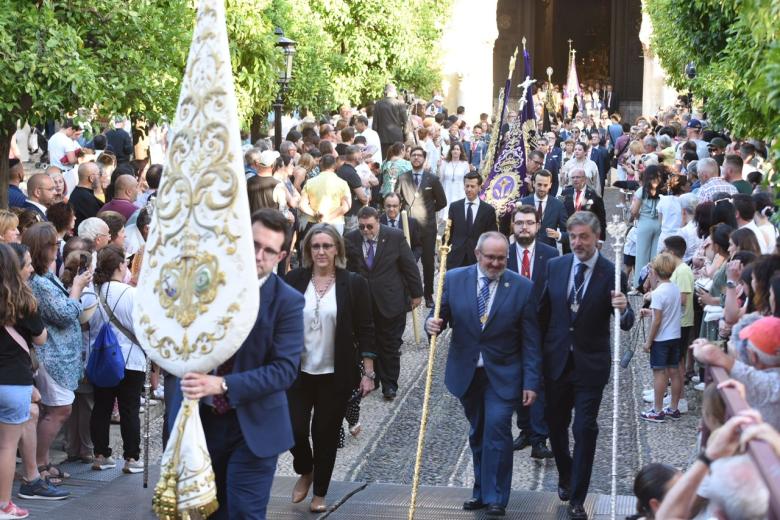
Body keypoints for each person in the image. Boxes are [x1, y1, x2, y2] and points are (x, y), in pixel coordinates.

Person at [172, 209, 305, 519]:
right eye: (254, 244)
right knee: (206, 512)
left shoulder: (288, 302)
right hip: (201, 423)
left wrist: (223, 384)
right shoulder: (206, 285)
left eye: (269, 250)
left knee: (244, 512)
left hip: (255, 427)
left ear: (281, 256)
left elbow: (285, 370)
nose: (259, 255)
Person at [425, 231, 541, 517]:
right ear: (478, 254)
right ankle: (480, 491)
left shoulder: (522, 287)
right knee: (478, 432)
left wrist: (531, 381)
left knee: (497, 431)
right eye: (490, 257)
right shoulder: (454, 279)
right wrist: (432, 324)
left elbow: (531, 341)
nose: (495, 263)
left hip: (504, 374)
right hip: (467, 372)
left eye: (501, 258)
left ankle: (497, 497)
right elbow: (440, 314)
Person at [538, 212, 634, 519]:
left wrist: (625, 308)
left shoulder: (612, 272)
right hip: (556, 361)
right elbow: (542, 314)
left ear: (597, 238)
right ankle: (566, 473)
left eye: (584, 237)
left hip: (590, 364)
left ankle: (577, 497)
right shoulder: (555, 266)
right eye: (573, 236)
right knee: (555, 425)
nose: (577, 243)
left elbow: (627, 322)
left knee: (585, 428)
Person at [284, 224, 375, 513]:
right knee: (293, 428)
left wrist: (368, 372)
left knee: (325, 433)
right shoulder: (294, 279)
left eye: (327, 246)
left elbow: (366, 328)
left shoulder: (353, 283)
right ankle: (305, 469)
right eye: (316, 246)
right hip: (298, 371)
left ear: (337, 249)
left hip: (335, 373)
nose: (321, 251)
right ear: (308, 251)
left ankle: (320, 491)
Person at [22, 223, 92, 484]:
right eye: (54, 245)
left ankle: (42, 461)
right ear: (45, 248)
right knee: (59, 409)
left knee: (56, 409)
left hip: (59, 353)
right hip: (51, 355)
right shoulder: (39, 281)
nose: (58, 249)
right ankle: (38, 464)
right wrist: (76, 289)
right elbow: (63, 314)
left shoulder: (44, 276)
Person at [0, 244, 67, 518]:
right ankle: (4, 505)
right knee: (6, 446)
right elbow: (40, 338)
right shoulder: (23, 301)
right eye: (26, 264)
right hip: (14, 380)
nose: (31, 268)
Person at [344, 207, 422, 400]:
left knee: (389, 344)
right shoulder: (351, 239)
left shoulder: (394, 237)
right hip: (363, 302)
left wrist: (416, 293)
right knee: (368, 341)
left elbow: (409, 265)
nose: (366, 231)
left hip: (390, 299)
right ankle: (373, 378)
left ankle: (390, 384)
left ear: (378, 222)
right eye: (362, 227)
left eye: (370, 226)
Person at [506, 205, 558, 458]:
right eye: (519, 223)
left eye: (529, 222)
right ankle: (525, 429)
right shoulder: (502, 254)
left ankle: (540, 437)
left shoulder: (550, 254)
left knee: (538, 383)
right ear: (512, 227)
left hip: (542, 329)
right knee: (517, 381)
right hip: (511, 331)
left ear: (538, 225)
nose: (524, 227)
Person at [396, 147, 447, 307]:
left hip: (427, 228)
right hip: (408, 227)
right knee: (406, 260)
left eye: (419, 155)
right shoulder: (403, 178)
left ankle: (429, 295)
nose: (416, 158)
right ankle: (407, 293)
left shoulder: (432, 179)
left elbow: (442, 202)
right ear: (409, 158)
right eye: (413, 155)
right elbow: (397, 199)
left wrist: (428, 212)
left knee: (428, 262)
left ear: (424, 159)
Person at [639, 253, 682, 422]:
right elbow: (666, 313)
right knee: (674, 371)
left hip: (661, 338)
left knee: (659, 373)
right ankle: (674, 407)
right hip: (675, 335)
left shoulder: (658, 293)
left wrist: (648, 342)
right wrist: (650, 313)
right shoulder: (674, 288)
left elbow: (657, 321)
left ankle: (657, 410)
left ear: (655, 271)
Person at [446, 172, 497, 269]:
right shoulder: (455, 207)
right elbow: (449, 233)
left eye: (472, 186)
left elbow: (491, 237)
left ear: (479, 187)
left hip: (477, 260)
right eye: (467, 186)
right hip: (455, 260)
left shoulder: (488, 210)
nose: (469, 189)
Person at [299, 154, 352, 234]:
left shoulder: (310, 182)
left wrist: (314, 214)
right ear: (335, 166)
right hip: (335, 222)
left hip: (314, 222)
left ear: (320, 165)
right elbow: (346, 206)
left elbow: (302, 205)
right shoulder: (342, 183)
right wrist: (328, 218)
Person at [630, 165, 662, 286]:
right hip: (658, 223)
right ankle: (655, 283)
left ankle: (640, 283)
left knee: (642, 255)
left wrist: (638, 216)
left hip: (644, 222)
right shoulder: (663, 191)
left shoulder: (642, 191)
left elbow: (634, 211)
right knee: (656, 256)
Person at [518, 169, 567, 249]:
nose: (542, 188)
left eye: (545, 185)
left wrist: (558, 235)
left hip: (549, 252)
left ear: (550, 185)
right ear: (533, 183)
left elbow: (567, 232)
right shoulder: (522, 203)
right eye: (539, 184)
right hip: (525, 250)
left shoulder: (558, 205)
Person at [560, 168, 607, 243]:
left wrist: (600, 240)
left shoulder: (594, 195)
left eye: (578, 177)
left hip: (587, 235)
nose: (575, 179)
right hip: (569, 236)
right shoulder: (565, 193)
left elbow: (601, 219)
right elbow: (561, 213)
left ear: (585, 179)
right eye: (573, 177)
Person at [380, 192, 422, 261]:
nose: (391, 209)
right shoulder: (378, 222)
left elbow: (418, 247)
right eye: (388, 206)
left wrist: (412, 261)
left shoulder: (411, 223)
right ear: (384, 206)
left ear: (400, 206)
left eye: (395, 206)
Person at [372, 84, 408, 159]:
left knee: (385, 159)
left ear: (385, 93)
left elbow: (375, 124)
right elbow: (405, 122)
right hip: (397, 137)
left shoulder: (378, 104)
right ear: (394, 93)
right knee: (397, 159)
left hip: (382, 137)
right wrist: (405, 137)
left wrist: (375, 137)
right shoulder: (400, 104)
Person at [439, 142, 471, 218]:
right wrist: (438, 167)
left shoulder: (465, 164)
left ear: (460, 151)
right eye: (453, 149)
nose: (455, 151)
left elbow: (468, 180)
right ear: (451, 151)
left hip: (460, 192)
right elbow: (440, 178)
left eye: (457, 149)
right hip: (447, 191)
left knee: (458, 215)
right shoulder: (445, 163)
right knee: (446, 216)